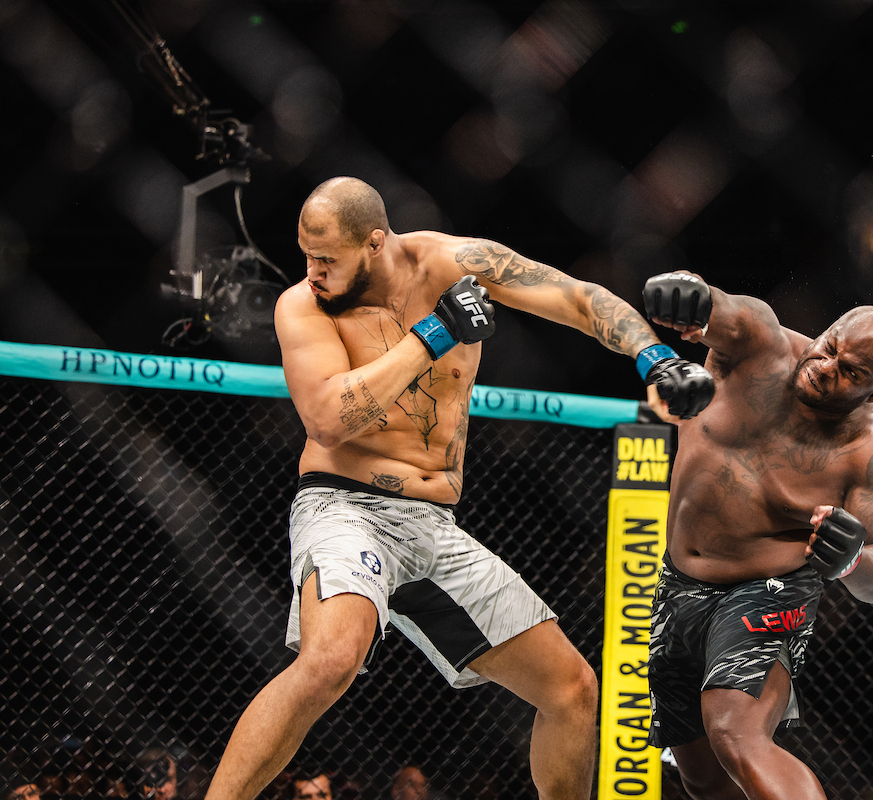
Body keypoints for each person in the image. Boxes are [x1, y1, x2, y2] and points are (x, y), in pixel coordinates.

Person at [202, 177, 715, 800]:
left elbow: (580, 299)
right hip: (344, 506)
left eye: (327, 258)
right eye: (307, 255)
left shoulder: (453, 263)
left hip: (433, 524)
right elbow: (329, 420)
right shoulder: (302, 307)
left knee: (573, 691)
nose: (312, 272)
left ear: (374, 243)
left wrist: (655, 359)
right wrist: (434, 335)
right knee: (331, 659)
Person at [641, 271, 873, 800]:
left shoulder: (868, 450)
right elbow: (721, 310)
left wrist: (853, 559)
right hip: (679, 584)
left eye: (851, 372)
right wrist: (690, 294)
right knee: (704, 780)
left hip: (767, 591)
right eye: (830, 348)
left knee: (735, 731)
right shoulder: (759, 345)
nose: (826, 368)